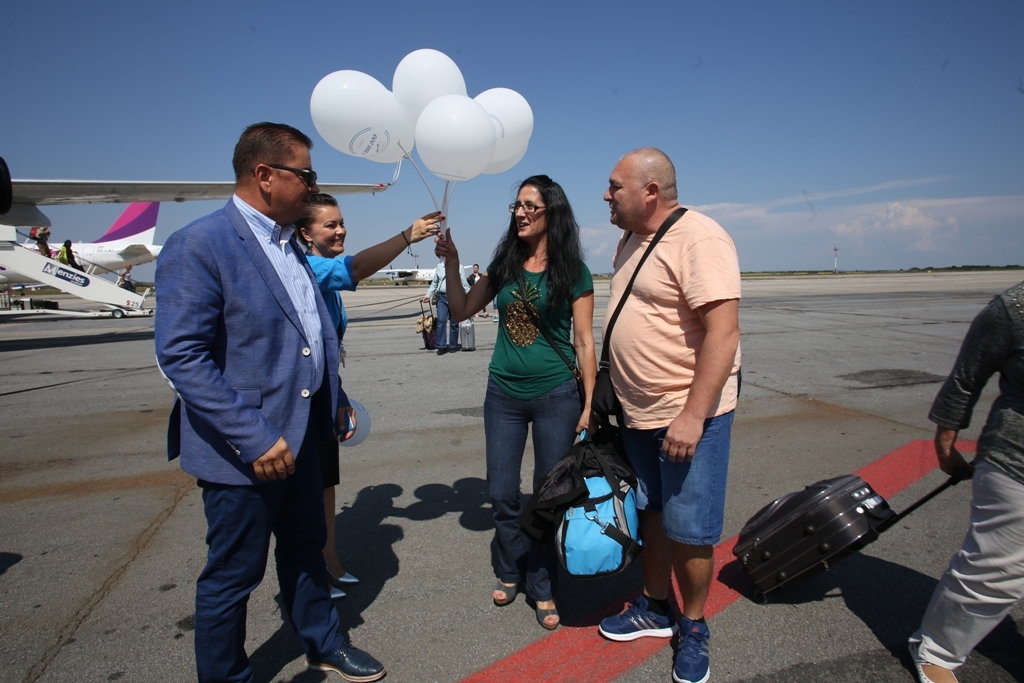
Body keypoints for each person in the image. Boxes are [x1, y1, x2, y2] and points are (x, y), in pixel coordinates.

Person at [155, 122, 385, 683]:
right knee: (234, 574)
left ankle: (323, 642)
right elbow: (182, 356)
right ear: (264, 175)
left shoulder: (290, 246)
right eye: (306, 174)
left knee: (307, 549)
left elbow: (310, 333)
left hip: (304, 437)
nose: (313, 186)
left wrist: (335, 395)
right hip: (245, 451)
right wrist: (254, 437)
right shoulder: (200, 244)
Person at [595, 148, 740, 683]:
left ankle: (694, 625)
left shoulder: (700, 238)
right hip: (639, 414)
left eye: (615, 186)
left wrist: (693, 416)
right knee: (651, 512)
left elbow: (724, 333)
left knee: (690, 529)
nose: (606, 195)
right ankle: (656, 607)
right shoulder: (630, 239)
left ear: (650, 190)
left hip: (687, 415)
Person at [434, 174, 597, 630]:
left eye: (530, 206)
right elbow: (461, 310)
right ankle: (510, 568)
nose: (520, 213)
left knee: (547, 495)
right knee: (503, 492)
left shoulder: (573, 271)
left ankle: (542, 584)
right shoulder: (504, 263)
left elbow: (584, 341)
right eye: (517, 206)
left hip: (556, 396)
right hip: (503, 394)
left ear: (551, 213)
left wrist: (588, 403)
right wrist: (453, 262)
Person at [296, 193, 441, 598]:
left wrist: (340, 395)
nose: (340, 230)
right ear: (305, 234)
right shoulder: (307, 268)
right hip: (302, 404)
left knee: (325, 485)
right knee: (306, 494)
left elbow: (328, 349)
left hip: (324, 394)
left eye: (341, 222)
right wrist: (407, 236)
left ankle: (329, 562)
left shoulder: (324, 276)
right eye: (330, 225)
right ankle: (311, 576)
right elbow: (356, 268)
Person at [907, 281, 1024, 683]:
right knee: (996, 571)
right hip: (1017, 459)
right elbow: (966, 377)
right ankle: (938, 650)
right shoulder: (1014, 307)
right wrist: (945, 442)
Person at [423, 258, 470, 355]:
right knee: (441, 320)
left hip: (455, 298)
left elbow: (464, 284)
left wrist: (469, 297)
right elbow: (435, 283)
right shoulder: (439, 267)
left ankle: (453, 345)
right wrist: (428, 295)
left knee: (454, 322)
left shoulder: (459, 267)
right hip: (442, 297)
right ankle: (441, 346)